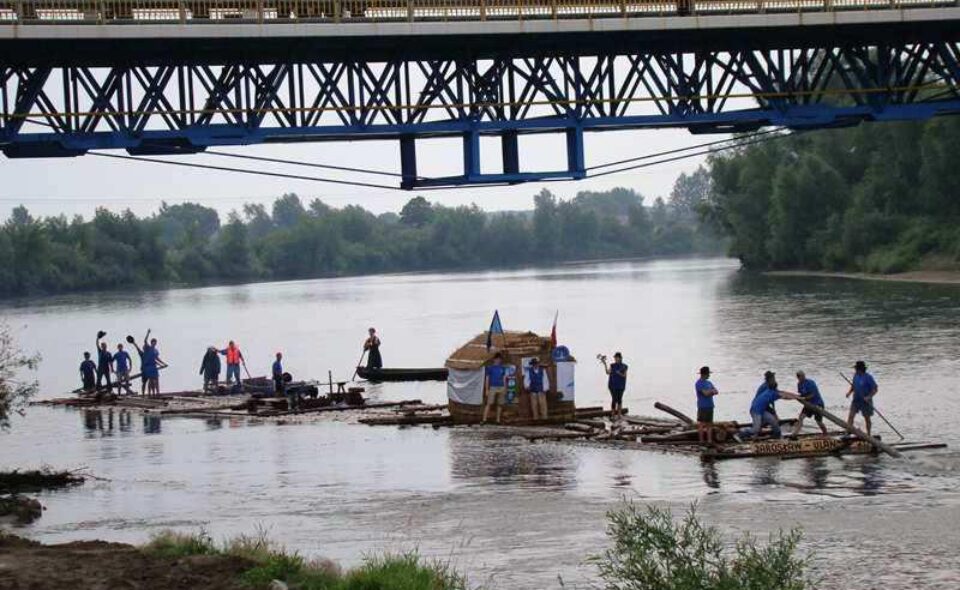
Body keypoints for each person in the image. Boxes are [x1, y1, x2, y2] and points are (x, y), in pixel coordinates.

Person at [742, 371, 798, 440]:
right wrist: (773, 412)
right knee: (760, 425)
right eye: (773, 378)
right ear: (769, 379)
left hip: (763, 407)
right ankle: (746, 434)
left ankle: (776, 435)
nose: (775, 379)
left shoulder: (771, 385)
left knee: (772, 420)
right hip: (758, 407)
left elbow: (778, 394)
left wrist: (796, 397)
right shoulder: (765, 386)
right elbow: (763, 399)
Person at [792, 370, 827, 436]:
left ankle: (825, 434)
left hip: (817, 404)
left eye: (803, 376)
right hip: (808, 404)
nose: (803, 377)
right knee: (801, 417)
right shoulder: (799, 384)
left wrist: (804, 398)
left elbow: (812, 395)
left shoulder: (811, 382)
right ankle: (795, 434)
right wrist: (796, 397)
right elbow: (801, 394)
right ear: (798, 377)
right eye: (801, 376)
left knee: (818, 421)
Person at [846, 360, 878, 436]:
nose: (855, 370)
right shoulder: (855, 376)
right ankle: (848, 432)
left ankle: (869, 434)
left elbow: (875, 389)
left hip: (865, 401)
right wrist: (849, 393)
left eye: (856, 369)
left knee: (867, 418)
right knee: (851, 416)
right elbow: (853, 386)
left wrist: (868, 397)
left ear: (860, 369)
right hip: (856, 400)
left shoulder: (868, 377)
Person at [695, 366, 719, 445]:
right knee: (701, 424)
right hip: (702, 406)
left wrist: (710, 392)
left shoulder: (709, 382)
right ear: (704, 374)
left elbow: (716, 391)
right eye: (708, 374)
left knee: (709, 424)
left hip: (710, 405)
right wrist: (711, 391)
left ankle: (709, 440)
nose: (709, 375)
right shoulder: (698, 383)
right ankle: (701, 440)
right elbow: (705, 393)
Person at [482, 352, 507, 424]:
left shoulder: (502, 368)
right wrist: (487, 389)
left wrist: (505, 387)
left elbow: (504, 378)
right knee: (489, 403)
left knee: (500, 404)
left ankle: (498, 420)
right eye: (497, 359)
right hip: (493, 387)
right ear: (494, 359)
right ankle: (484, 419)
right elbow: (487, 378)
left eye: (499, 359)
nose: (498, 360)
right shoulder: (490, 368)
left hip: (501, 386)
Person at [601, 352, 628, 421]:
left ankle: (619, 415)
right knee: (614, 399)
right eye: (615, 358)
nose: (615, 359)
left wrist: (619, 373)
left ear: (620, 358)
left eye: (617, 358)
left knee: (619, 400)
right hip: (612, 385)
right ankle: (613, 414)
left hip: (621, 385)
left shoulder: (624, 366)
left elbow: (624, 375)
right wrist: (604, 364)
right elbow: (608, 372)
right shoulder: (612, 365)